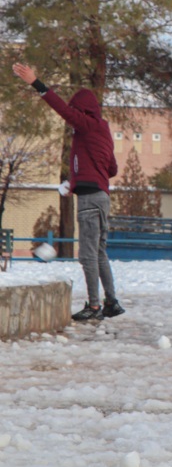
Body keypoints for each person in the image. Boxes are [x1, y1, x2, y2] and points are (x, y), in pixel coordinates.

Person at [13, 63, 124, 320]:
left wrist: (36, 83)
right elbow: (112, 168)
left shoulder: (86, 125)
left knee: (87, 255)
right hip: (101, 197)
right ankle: (111, 302)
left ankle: (94, 306)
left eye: (75, 111)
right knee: (99, 253)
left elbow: (62, 109)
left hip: (89, 200)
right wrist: (75, 182)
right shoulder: (101, 131)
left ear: (81, 110)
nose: (72, 116)